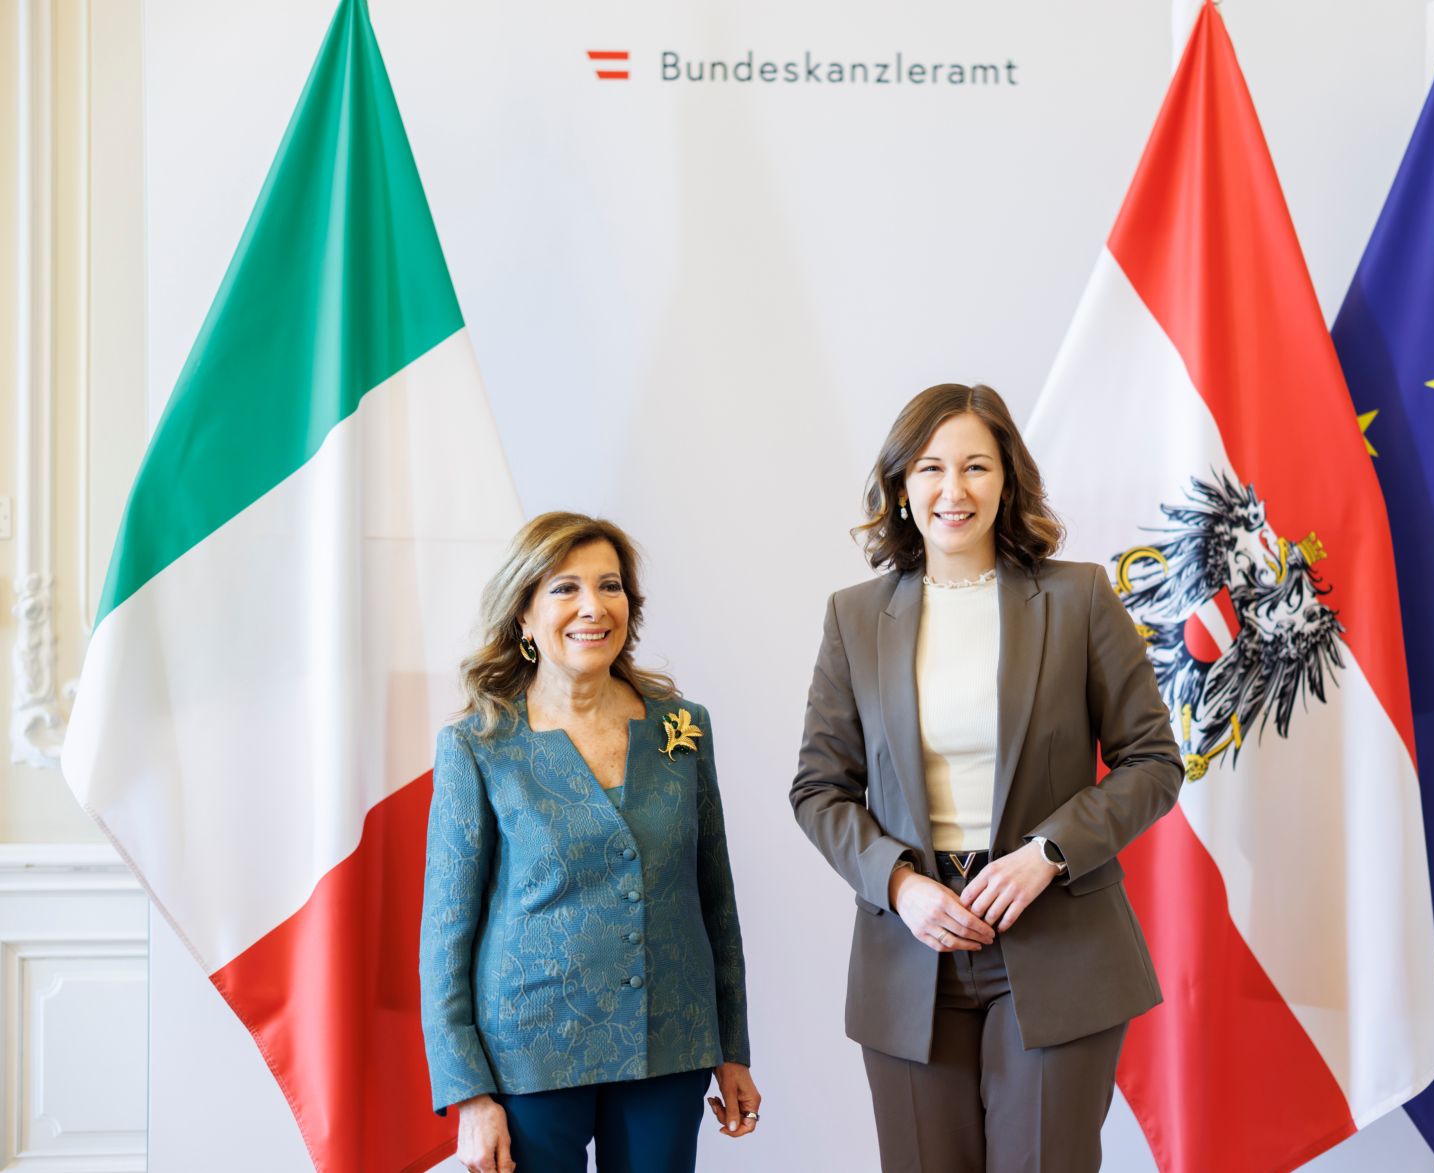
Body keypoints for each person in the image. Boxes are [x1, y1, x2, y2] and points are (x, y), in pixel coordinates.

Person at [790, 383, 1182, 1172]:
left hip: (1060, 939)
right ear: (902, 487)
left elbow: (1153, 760)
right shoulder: (855, 617)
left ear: (1007, 480)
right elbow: (819, 789)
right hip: (910, 953)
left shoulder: (1078, 598)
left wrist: (1048, 852)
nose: (954, 489)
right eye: (931, 467)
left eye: (976, 465)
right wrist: (899, 884)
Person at [420, 512, 758, 1173]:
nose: (593, 607)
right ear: (523, 614)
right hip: (528, 1053)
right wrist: (468, 1093)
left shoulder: (682, 728)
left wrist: (733, 1047)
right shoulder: (478, 744)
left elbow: (716, 898)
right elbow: (446, 929)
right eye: (565, 588)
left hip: (670, 1042)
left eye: (610, 586)